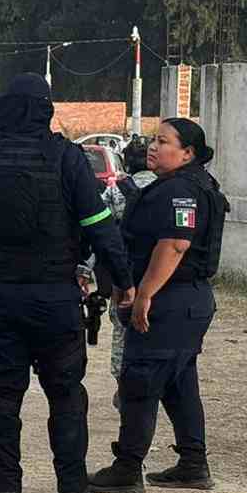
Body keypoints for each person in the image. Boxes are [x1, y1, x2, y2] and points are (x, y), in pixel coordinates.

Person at [0, 73, 134, 493]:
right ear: (46, 110)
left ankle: (6, 491)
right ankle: (72, 491)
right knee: (65, 393)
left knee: (4, 395)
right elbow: (99, 225)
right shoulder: (67, 158)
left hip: (0, 298)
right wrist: (123, 278)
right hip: (56, 298)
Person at [88, 119, 227, 493]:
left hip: (171, 299)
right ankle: (193, 464)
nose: (153, 146)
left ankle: (128, 468)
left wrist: (145, 294)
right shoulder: (188, 184)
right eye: (153, 139)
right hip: (187, 300)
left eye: (163, 142)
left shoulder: (181, 189)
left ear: (188, 153)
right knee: (180, 383)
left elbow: (175, 244)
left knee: (140, 381)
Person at [79, 135, 157, 408]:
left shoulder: (116, 192)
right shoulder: (169, 189)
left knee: (122, 331)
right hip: (162, 275)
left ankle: (123, 386)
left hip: (125, 274)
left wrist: (84, 270)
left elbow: (99, 234)